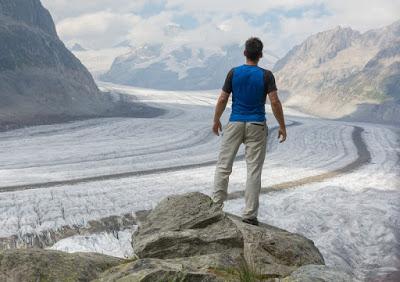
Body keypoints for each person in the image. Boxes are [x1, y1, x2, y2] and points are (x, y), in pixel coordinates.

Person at [212, 37, 287, 226]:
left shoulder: (233, 73)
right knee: (253, 171)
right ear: (260, 55)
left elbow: (222, 99)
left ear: (245, 53)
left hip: (235, 122)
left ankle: (215, 207)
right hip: (257, 125)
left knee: (223, 166)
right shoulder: (266, 75)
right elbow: (275, 101)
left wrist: (216, 120)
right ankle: (250, 215)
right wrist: (282, 126)